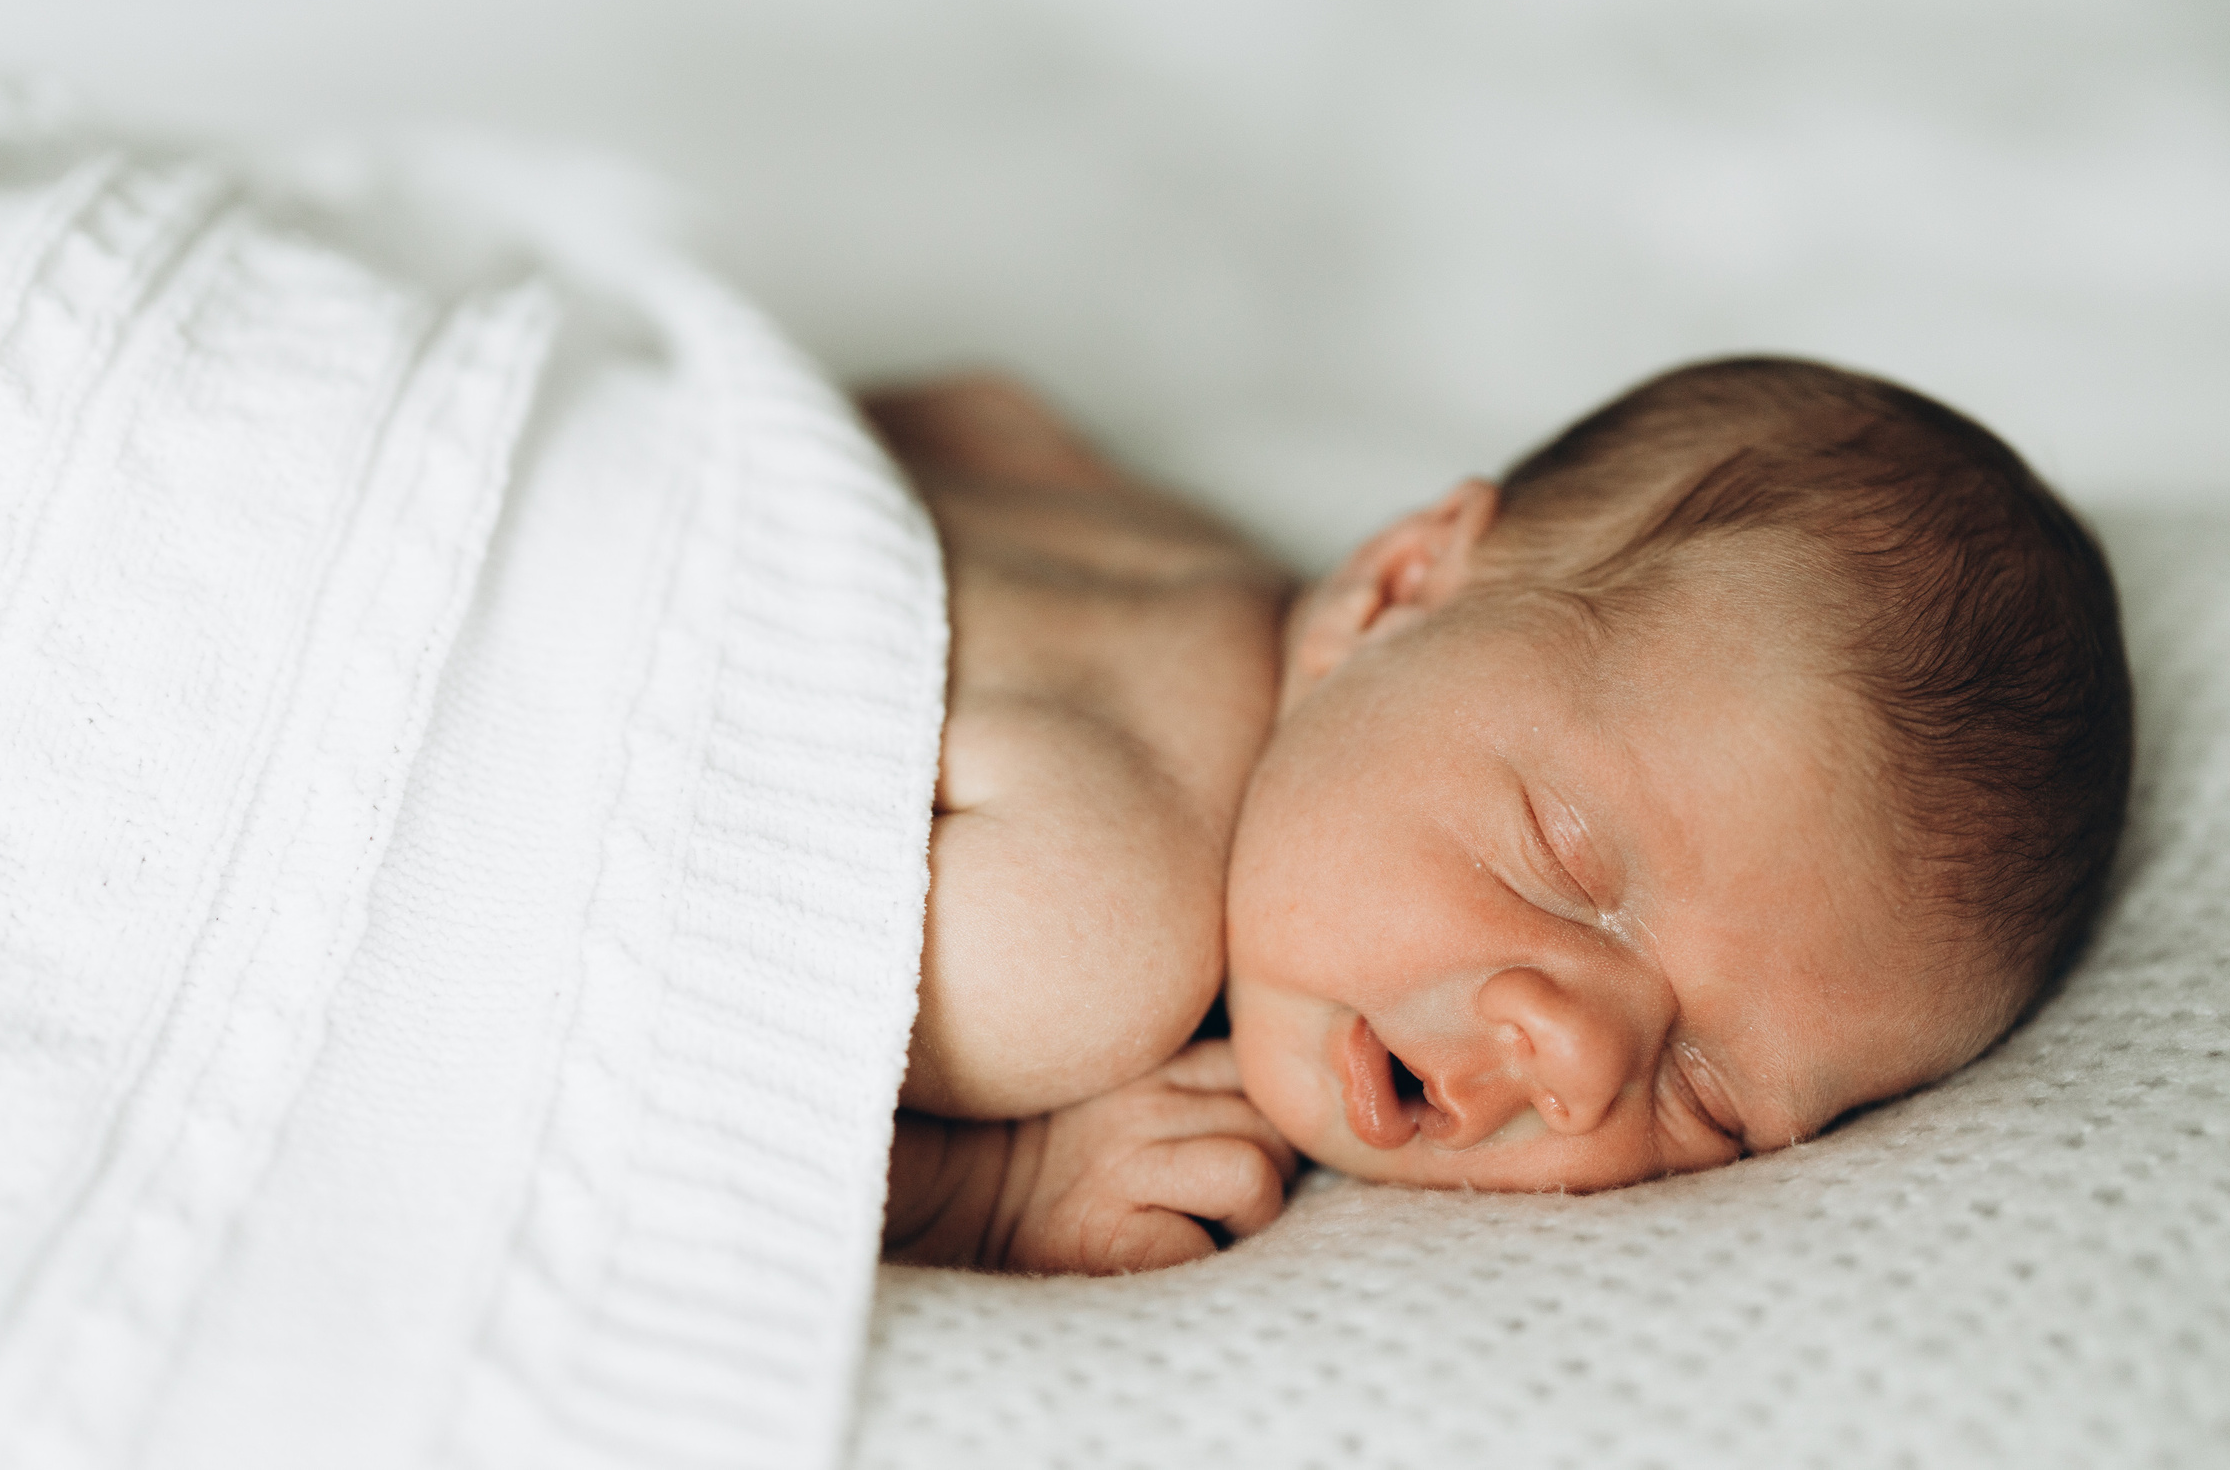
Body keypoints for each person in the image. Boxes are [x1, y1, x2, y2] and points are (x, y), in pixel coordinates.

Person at [866, 357, 2132, 1275]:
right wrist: (976, 1192)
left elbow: (960, 407)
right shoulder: (1091, 922)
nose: (1574, 1062)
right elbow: (687, 1043)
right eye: (1561, 864)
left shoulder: (1127, 527)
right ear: (1394, 592)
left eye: (1708, 1101)